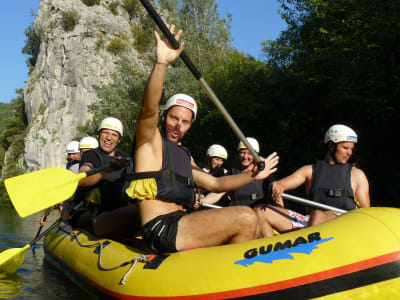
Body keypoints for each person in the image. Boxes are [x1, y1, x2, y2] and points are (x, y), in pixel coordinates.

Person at [125, 25, 279, 254]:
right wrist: (162, 64)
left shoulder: (184, 157)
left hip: (181, 224)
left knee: (256, 220)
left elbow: (216, 184)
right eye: (174, 118)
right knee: (246, 216)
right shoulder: (150, 142)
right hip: (160, 229)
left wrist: (252, 175)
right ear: (164, 116)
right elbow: (148, 110)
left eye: (185, 122)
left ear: (190, 126)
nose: (178, 125)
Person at [255, 124, 370, 237]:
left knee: (317, 216)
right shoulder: (310, 170)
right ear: (331, 146)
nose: (349, 153)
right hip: (311, 222)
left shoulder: (357, 175)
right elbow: (284, 183)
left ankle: (309, 248)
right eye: (345, 148)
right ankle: (274, 250)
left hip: (343, 222)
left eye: (351, 149)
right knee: (260, 211)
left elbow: (366, 214)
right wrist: (278, 185)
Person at [62, 117, 140, 237]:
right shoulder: (91, 155)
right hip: (95, 213)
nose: (109, 138)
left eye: (114, 135)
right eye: (105, 133)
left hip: (118, 209)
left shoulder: (125, 158)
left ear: (119, 140)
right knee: (135, 213)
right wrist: (107, 170)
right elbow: (82, 179)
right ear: (98, 135)